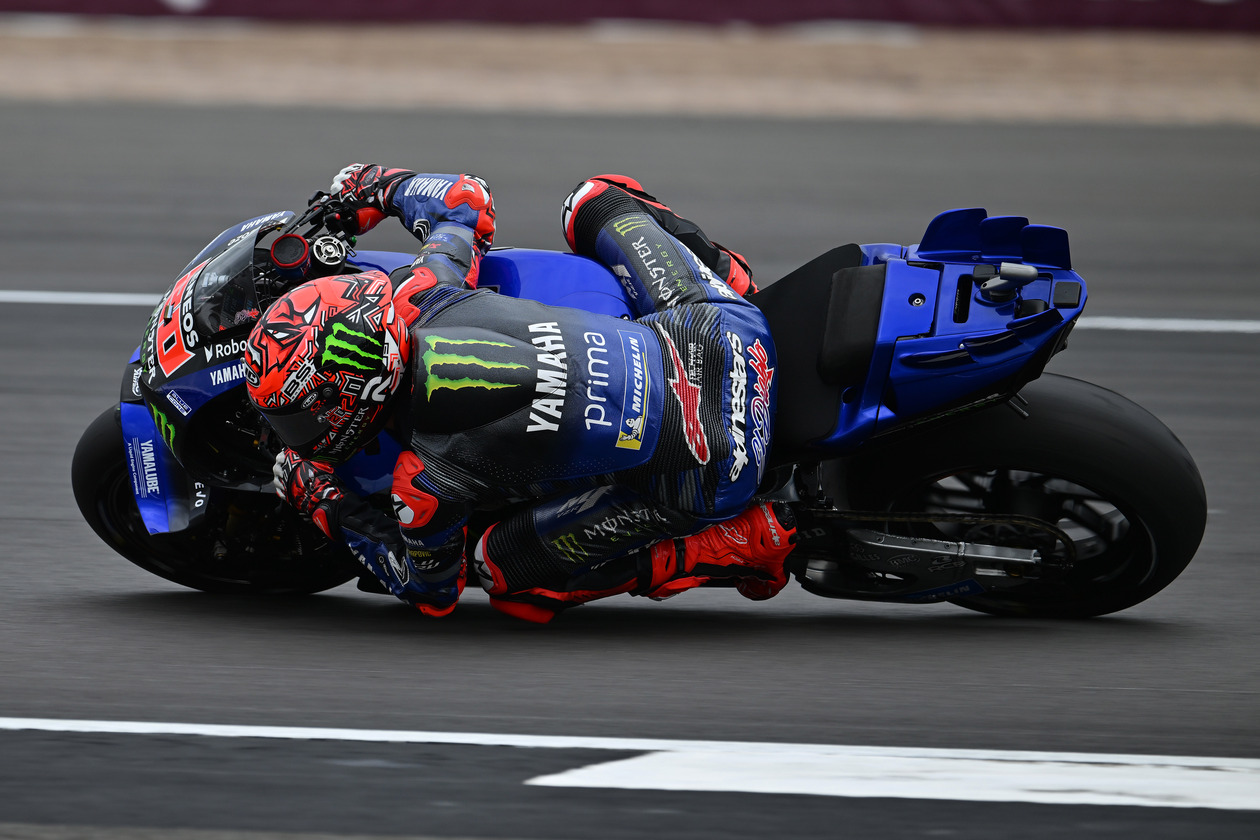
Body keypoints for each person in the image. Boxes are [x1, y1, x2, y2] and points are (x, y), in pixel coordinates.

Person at [243, 164, 796, 623]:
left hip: (714, 466)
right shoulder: (427, 289)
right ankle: (732, 279)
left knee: (503, 574)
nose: (295, 432)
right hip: (727, 334)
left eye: (301, 418)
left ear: (354, 394)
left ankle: (737, 541)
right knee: (593, 199)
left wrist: (325, 503)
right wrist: (373, 188)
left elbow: (432, 592)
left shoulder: (426, 478)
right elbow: (464, 199)